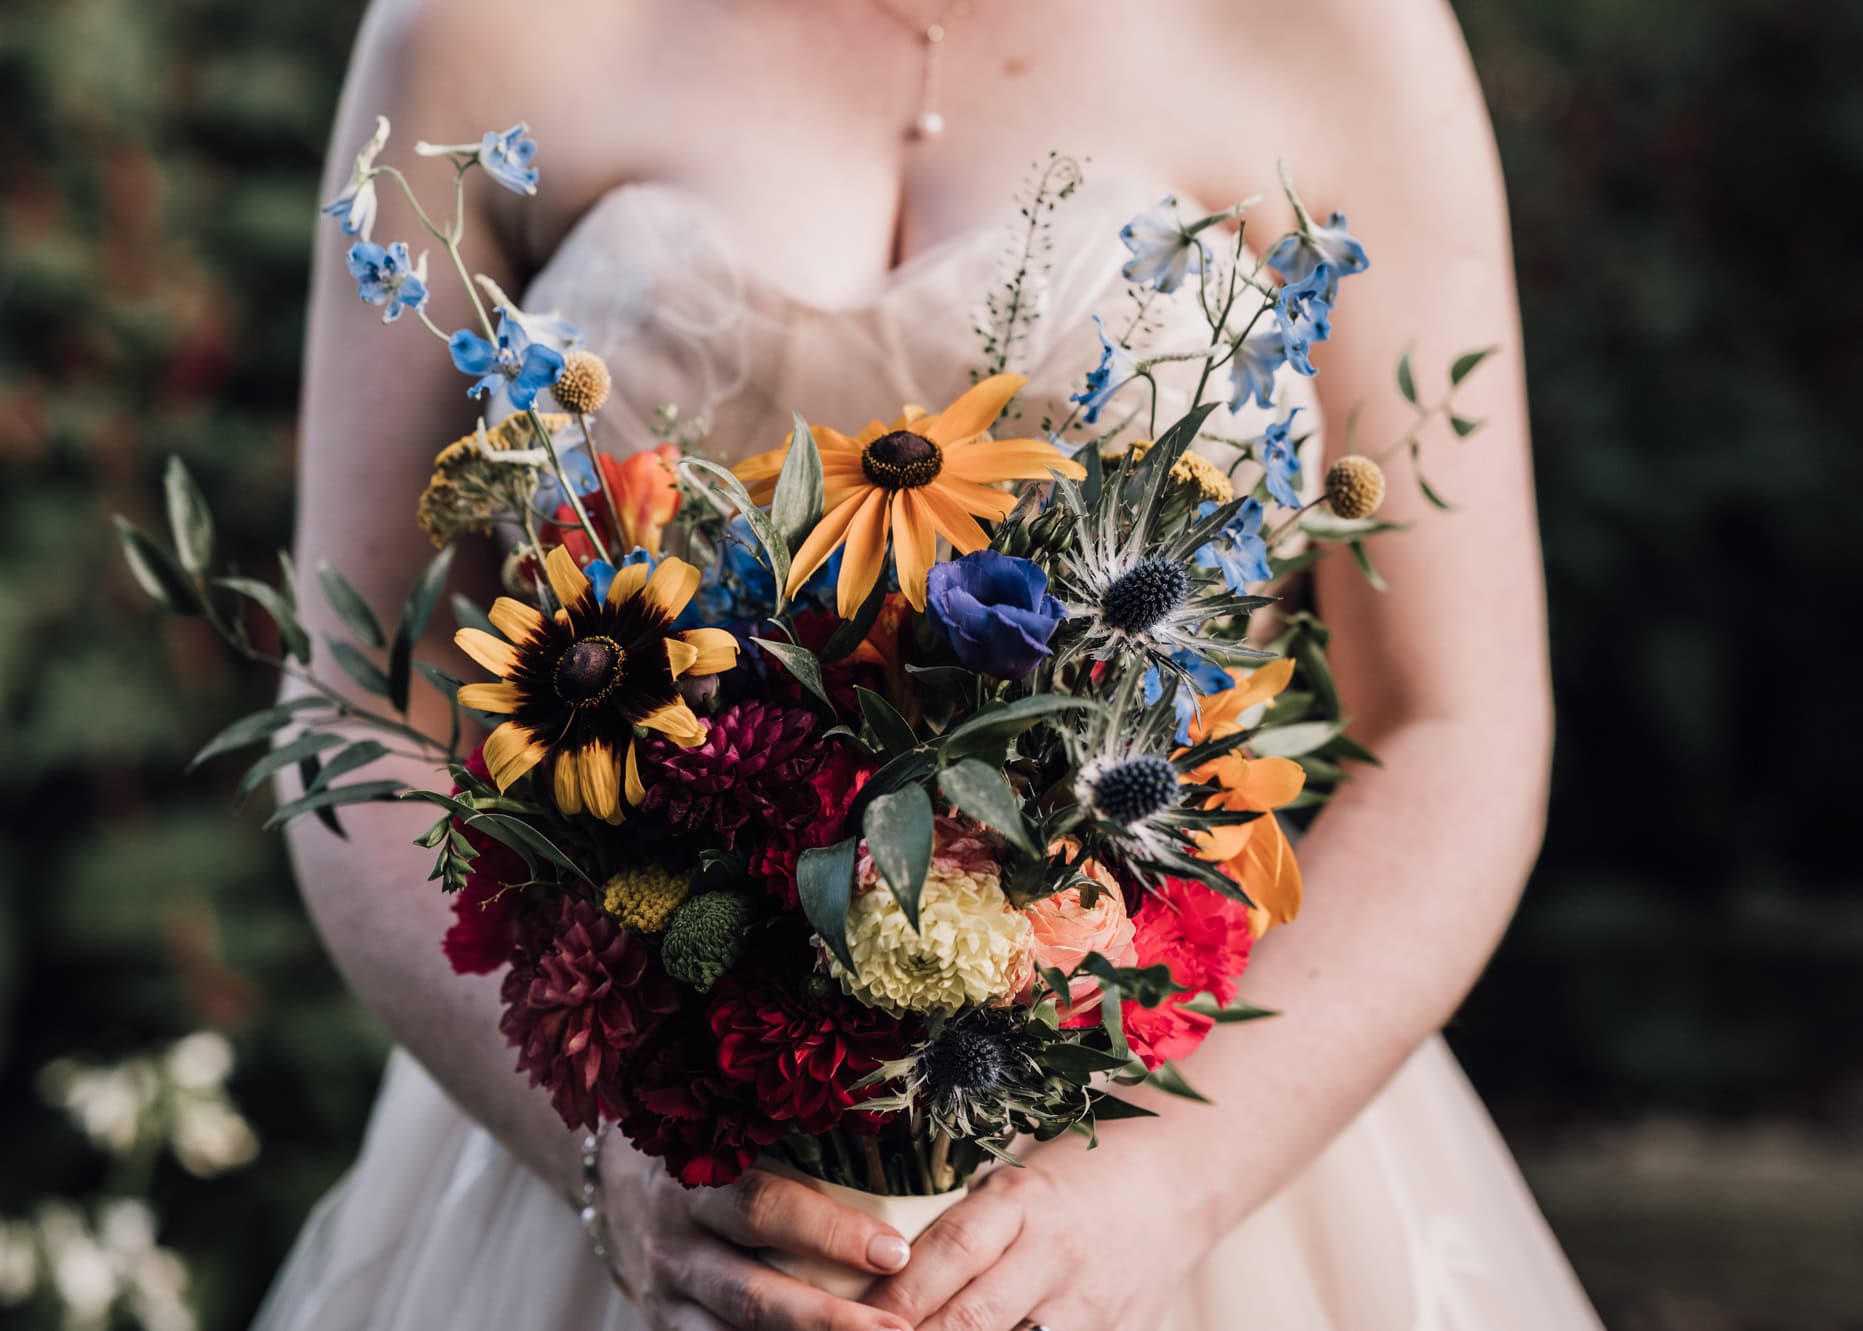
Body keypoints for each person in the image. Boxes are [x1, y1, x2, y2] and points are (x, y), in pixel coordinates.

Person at [259, 0, 1601, 1327]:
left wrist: (1171, 1186)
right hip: (651, 1178)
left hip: (1191, 1157)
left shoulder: (1341, 28)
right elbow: (356, 693)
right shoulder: (473, 27)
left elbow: (1454, 722)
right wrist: (606, 1163)